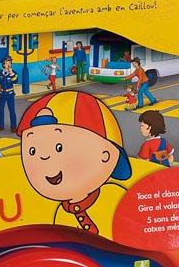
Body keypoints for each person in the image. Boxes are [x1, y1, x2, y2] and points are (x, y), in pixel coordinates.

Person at [17, 90, 132, 237]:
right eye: (32, 151)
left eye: (59, 148)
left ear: (106, 155)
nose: (44, 157)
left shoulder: (115, 196)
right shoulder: (61, 212)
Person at [0, 54, 18, 132]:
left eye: (10, 62)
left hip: (10, 94)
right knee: (1, 110)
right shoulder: (0, 72)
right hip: (2, 94)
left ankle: (14, 126)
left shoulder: (13, 72)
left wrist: (11, 73)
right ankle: (0, 126)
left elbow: (15, 80)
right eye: (6, 63)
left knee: (12, 110)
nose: (8, 64)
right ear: (3, 64)